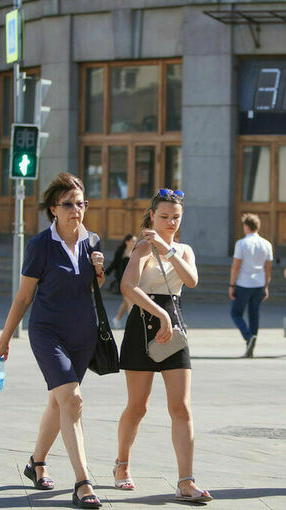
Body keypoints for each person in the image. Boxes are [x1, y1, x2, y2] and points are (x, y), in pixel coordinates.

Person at [0, 173, 105, 509]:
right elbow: (24, 297)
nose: (76, 209)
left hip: (83, 334)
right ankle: (83, 482)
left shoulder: (93, 240)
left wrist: (99, 272)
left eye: (81, 203)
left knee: (60, 403)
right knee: (73, 401)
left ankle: (36, 463)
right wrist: (4, 339)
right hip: (47, 333)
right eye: (68, 204)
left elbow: (89, 289)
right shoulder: (40, 245)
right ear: (53, 208)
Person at [114, 188, 212, 504]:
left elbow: (192, 280)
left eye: (176, 217)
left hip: (175, 330)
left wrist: (168, 250)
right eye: (164, 216)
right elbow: (127, 287)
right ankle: (122, 463)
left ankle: (186, 481)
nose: (170, 222)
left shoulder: (184, 250)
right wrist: (159, 315)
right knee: (138, 406)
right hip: (143, 326)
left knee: (181, 407)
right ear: (153, 215)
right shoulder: (142, 248)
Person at [228, 213, 273, 358]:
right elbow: (268, 268)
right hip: (259, 284)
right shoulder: (267, 244)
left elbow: (236, 266)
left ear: (246, 226)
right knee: (254, 315)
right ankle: (251, 343)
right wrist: (266, 286)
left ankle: (248, 337)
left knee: (235, 313)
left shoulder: (241, 243)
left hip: (243, 284)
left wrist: (231, 285)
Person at [106, 234, 137, 328]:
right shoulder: (120, 252)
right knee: (130, 301)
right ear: (127, 242)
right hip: (123, 280)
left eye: (135, 241)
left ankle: (117, 319)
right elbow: (114, 264)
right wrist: (104, 273)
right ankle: (132, 324)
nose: (134, 243)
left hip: (134, 280)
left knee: (126, 301)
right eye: (132, 241)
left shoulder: (136, 252)